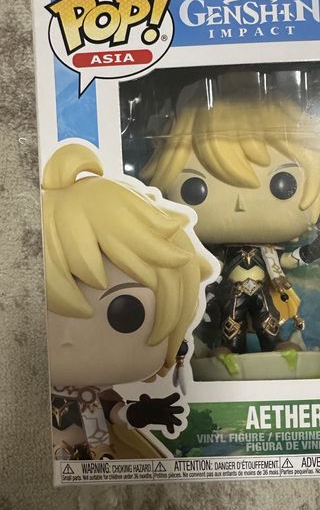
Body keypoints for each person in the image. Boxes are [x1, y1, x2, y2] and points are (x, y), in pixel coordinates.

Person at [43, 143, 211, 460]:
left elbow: (115, 412)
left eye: (125, 313)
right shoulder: (27, 394)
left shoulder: (92, 396)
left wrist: (142, 412)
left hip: (98, 458)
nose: (68, 338)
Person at [141, 96, 320, 354]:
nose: (240, 203)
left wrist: (312, 252)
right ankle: (229, 350)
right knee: (231, 323)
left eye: (282, 184)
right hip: (233, 293)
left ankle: (274, 346)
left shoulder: (267, 252)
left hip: (261, 292)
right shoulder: (222, 253)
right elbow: (209, 269)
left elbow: (285, 261)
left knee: (268, 321)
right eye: (195, 188)